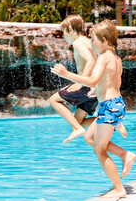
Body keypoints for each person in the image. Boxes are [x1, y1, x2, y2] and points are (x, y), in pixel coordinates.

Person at [51, 20, 136, 198]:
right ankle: (125, 155)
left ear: (104, 40)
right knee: (89, 138)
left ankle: (118, 189)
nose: (91, 43)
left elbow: (93, 80)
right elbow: (114, 84)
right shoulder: (116, 58)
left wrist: (67, 75)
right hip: (114, 104)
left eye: (94, 40)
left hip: (109, 107)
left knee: (100, 150)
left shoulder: (104, 57)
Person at [49, 15, 126, 144]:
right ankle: (113, 123)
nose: (63, 36)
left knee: (54, 100)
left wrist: (80, 82)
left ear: (71, 29)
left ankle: (76, 129)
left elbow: (90, 60)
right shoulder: (88, 41)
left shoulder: (78, 42)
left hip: (87, 84)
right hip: (94, 88)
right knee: (78, 119)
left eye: (64, 32)